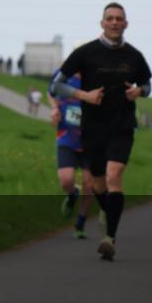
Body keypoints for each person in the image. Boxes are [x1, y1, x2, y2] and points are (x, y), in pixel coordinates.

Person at [49, 2, 152, 261]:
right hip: (93, 128)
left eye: (119, 19)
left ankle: (110, 239)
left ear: (126, 24)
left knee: (114, 174)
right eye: (110, 18)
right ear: (102, 23)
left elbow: (148, 84)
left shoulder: (135, 56)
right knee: (97, 183)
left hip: (122, 125)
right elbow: (56, 85)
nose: (115, 22)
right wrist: (84, 94)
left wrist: (138, 91)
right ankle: (111, 212)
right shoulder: (86, 53)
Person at [48, 72, 94, 238]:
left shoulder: (98, 76)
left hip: (91, 141)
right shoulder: (63, 73)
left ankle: (80, 224)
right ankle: (72, 193)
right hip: (66, 136)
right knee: (66, 180)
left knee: (89, 185)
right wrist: (54, 108)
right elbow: (50, 92)